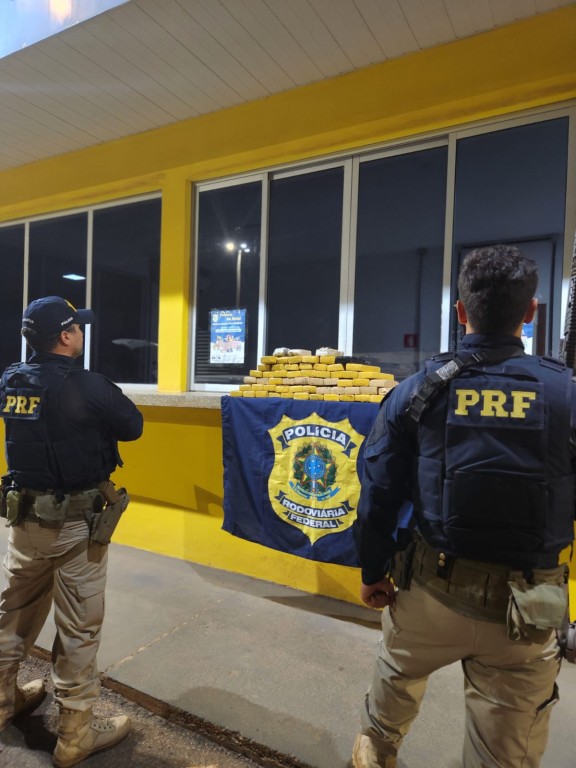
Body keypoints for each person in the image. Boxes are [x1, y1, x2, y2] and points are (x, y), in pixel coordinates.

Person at [352, 245, 576, 768]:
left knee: (390, 696)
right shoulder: (566, 394)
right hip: (528, 611)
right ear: (530, 311)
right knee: (504, 754)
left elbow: (378, 492)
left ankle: (375, 752)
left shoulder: (420, 390)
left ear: (460, 310)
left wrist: (372, 572)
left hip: (430, 595)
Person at [0, 296, 143, 767]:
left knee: (13, 613)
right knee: (79, 627)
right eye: (77, 327)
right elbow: (133, 427)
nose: (81, 332)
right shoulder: (89, 385)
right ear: (65, 336)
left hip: (23, 522)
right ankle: (75, 735)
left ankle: (1, 702)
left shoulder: (11, 380)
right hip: (76, 528)